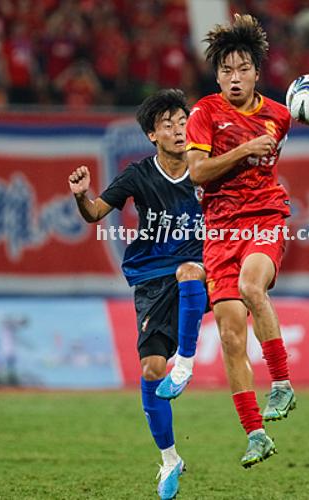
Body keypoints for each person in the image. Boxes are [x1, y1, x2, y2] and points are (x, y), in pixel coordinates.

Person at [68, 89, 207, 500]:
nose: (179, 129)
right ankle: (169, 460)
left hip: (202, 272)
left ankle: (186, 362)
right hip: (151, 280)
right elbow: (95, 213)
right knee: (149, 370)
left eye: (183, 122)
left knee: (189, 271)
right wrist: (80, 195)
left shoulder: (207, 168)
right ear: (152, 135)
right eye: (168, 125)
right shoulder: (138, 175)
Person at [185, 14, 296, 468]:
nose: (235, 78)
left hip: (265, 219)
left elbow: (263, 163)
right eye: (226, 70)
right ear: (217, 76)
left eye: (243, 69)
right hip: (219, 231)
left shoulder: (280, 116)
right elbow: (197, 172)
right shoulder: (204, 113)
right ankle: (256, 433)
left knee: (253, 286)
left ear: (256, 72)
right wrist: (241, 151)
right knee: (231, 335)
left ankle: (284, 383)